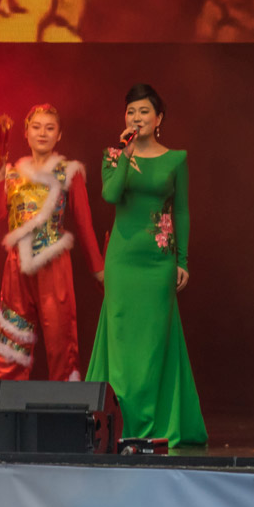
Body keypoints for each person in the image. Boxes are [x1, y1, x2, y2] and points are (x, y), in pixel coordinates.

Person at [85, 84, 207, 447]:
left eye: (143, 112)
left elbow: (182, 211)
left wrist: (182, 259)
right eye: (131, 112)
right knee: (121, 339)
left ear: (159, 119)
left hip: (159, 261)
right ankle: (122, 422)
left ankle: (155, 424)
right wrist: (125, 153)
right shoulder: (113, 155)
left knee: (154, 343)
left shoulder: (177, 159)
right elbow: (110, 195)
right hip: (123, 261)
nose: (136, 118)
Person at [0, 104, 103, 399]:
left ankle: (64, 410)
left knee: (61, 340)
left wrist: (99, 269)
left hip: (54, 264)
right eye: (36, 127)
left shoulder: (68, 172)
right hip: (16, 269)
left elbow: (85, 224)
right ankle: (6, 408)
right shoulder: (13, 174)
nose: (42, 133)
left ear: (59, 134)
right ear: (26, 133)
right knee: (13, 338)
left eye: (50, 128)